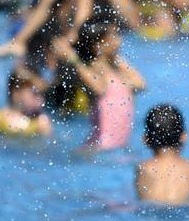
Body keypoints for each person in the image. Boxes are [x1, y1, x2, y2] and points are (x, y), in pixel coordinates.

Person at [52, 22, 145, 151]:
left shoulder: (116, 67)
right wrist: (73, 58)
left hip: (118, 146)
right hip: (99, 146)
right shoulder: (91, 69)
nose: (119, 39)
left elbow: (141, 84)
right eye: (113, 36)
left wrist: (115, 58)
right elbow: (99, 88)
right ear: (98, 45)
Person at [136, 104, 189, 205]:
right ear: (184, 136)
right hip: (187, 212)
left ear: (146, 140)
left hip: (151, 214)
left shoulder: (143, 168)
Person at [0, 72, 52, 137]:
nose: (41, 100)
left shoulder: (41, 122)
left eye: (42, 95)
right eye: (35, 94)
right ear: (16, 93)